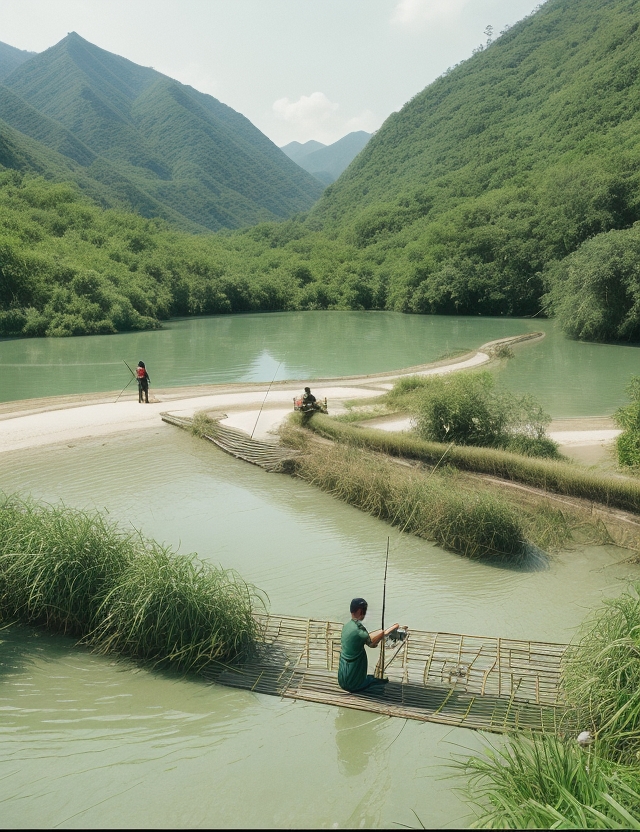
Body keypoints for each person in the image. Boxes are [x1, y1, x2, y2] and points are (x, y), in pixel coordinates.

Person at [337, 598, 399, 693]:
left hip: (342, 680)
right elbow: (371, 643)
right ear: (359, 611)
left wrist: (382, 632)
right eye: (364, 610)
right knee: (381, 681)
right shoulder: (358, 630)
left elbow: (367, 637)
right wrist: (385, 632)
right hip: (353, 684)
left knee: (370, 678)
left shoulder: (347, 626)